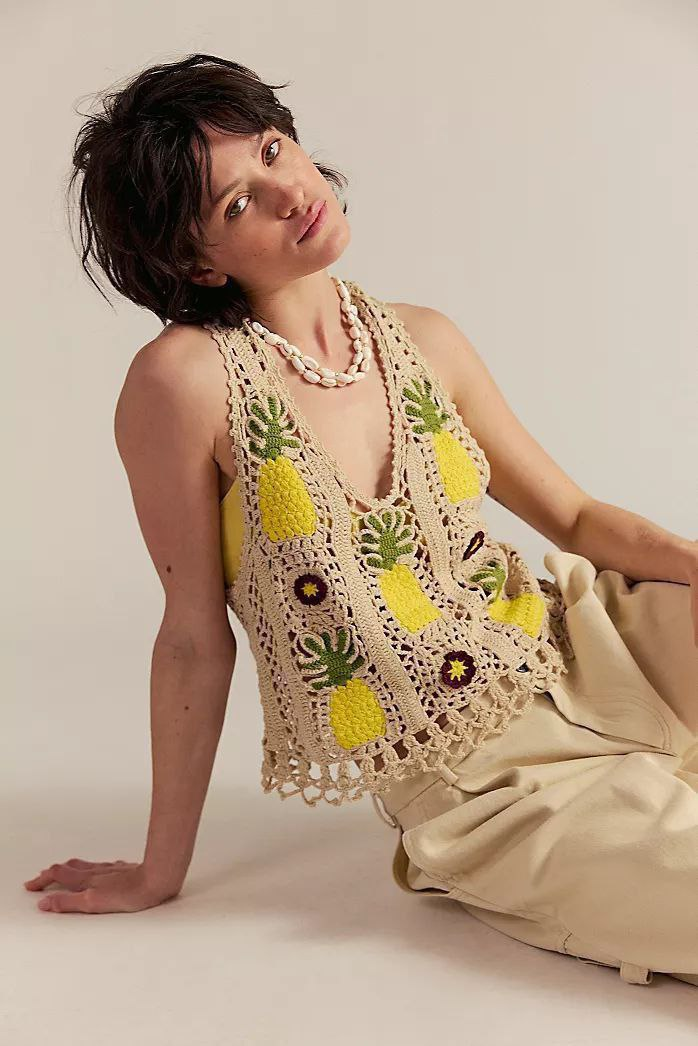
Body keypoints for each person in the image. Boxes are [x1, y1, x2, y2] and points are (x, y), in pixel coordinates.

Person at [22, 52, 698, 988]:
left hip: (596, 648)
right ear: (195, 262)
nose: (287, 191)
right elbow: (191, 636)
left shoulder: (423, 337)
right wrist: (156, 871)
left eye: (272, 150)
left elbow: (576, 517)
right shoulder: (183, 384)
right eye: (237, 204)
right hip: (481, 776)